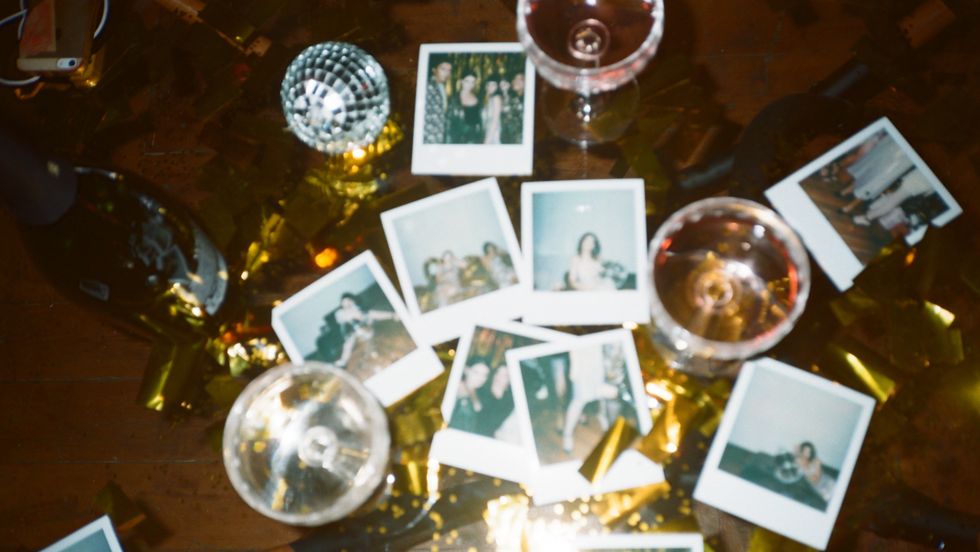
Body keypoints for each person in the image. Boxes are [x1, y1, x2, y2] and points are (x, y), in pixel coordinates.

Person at [561, 344, 624, 453]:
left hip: (601, 358)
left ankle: (602, 416)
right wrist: (574, 367)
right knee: (579, 400)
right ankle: (567, 433)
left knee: (602, 393)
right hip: (582, 359)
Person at [330, 292, 405, 380]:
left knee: (373, 319)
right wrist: (355, 314)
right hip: (352, 335)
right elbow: (342, 318)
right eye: (344, 302)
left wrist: (392, 315)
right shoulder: (340, 313)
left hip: (367, 332)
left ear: (354, 301)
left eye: (349, 301)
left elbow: (376, 314)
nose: (347, 303)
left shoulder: (362, 310)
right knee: (348, 344)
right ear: (341, 304)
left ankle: (381, 357)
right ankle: (343, 361)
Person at [838, 133, 915, 214]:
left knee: (876, 183)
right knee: (869, 170)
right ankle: (850, 189)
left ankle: (851, 205)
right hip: (892, 146)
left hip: (903, 159)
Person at [450, 362, 491, 433]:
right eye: (476, 372)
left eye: (484, 375)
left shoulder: (477, 391)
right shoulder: (456, 389)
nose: (481, 378)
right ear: (466, 370)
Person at [447, 72, 483, 144]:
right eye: (467, 81)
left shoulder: (478, 98)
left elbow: (479, 121)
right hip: (458, 138)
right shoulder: (454, 99)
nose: (470, 84)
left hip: (475, 138)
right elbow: (450, 122)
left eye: (473, 82)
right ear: (461, 81)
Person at [423, 59, 452, 144]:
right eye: (443, 69)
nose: (447, 73)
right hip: (429, 138)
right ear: (434, 69)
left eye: (449, 70)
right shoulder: (427, 86)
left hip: (440, 137)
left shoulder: (442, 87)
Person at [502, 72, 524, 144]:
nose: (515, 81)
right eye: (515, 79)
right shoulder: (514, 99)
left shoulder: (527, 101)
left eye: (520, 79)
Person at [482, 79, 503, 144]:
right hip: (488, 130)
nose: (490, 87)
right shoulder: (488, 98)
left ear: (497, 87)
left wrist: (487, 141)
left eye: (493, 85)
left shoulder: (496, 98)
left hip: (493, 132)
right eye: (488, 84)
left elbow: (495, 120)